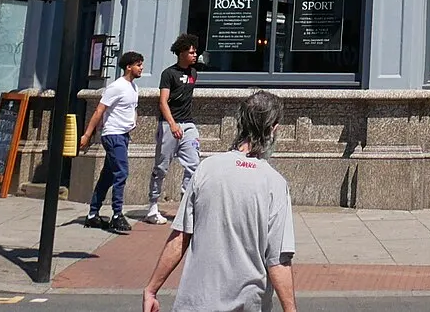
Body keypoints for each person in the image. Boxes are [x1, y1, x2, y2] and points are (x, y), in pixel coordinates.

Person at [143, 90, 297, 312]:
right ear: (273, 129)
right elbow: (278, 260)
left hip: (195, 305)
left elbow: (180, 237)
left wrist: (151, 289)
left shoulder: (207, 168)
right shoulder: (274, 183)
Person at [83, 51, 144, 232]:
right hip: (113, 135)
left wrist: (133, 121)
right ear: (128, 67)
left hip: (123, 135)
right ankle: (117, 214)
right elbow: (99, 110)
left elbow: (133, 108)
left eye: (141, 65)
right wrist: (87, 135)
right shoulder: (116, 87)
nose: (141, 68)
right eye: (138, 65)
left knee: (108, 176)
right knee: (121, 173)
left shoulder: (134, 88)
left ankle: (93, 214)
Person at [145, 34, 203, 225]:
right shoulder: (168, 74)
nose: (195, 55)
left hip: (189, 124)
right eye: (191, 52)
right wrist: (172, 124)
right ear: (182, 52)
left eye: (195, 52)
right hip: (169, 124)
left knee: (194, 165)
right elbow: (163, 101)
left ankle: (187, 205)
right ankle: (153, 206)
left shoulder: (194, 73)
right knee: (161, 167)